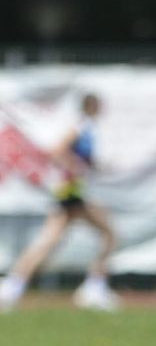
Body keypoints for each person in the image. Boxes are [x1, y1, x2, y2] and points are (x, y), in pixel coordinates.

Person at [0, 93, 120, 312]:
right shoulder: (80, 127)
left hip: (73, 192)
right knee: (109, 234)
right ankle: (93, 288)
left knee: (50, 242)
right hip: (71, 192)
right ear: (92, 106)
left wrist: (94, 166)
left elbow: (80, 157)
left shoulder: (87, 128)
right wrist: (74, 167)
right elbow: (56, 151)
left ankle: (12, 286)